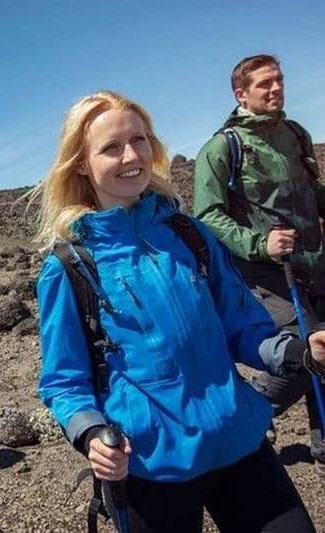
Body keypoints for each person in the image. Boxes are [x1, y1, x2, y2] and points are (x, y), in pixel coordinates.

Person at [34, 90, 321, 532]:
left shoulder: (192, 236)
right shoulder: (71, 268)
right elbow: (63, 381)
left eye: (139, 139)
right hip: (149, 465)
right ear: (80, 163)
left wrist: (296, 352)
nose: (132, 155)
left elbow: (242, 326)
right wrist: (91, 433)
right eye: (111, 148)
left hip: (237, 438)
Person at [193, 54, 325, 472]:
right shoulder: (222, 148)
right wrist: (259, 243)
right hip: (266, 274)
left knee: (324, 350)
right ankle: (251, 412)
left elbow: (309, 193)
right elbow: (208, 217)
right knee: (306, 354)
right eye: (265, 84)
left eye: (279, 80)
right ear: (241, 94)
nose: (276, 89)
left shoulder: (294, 134)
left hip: (315, 264)